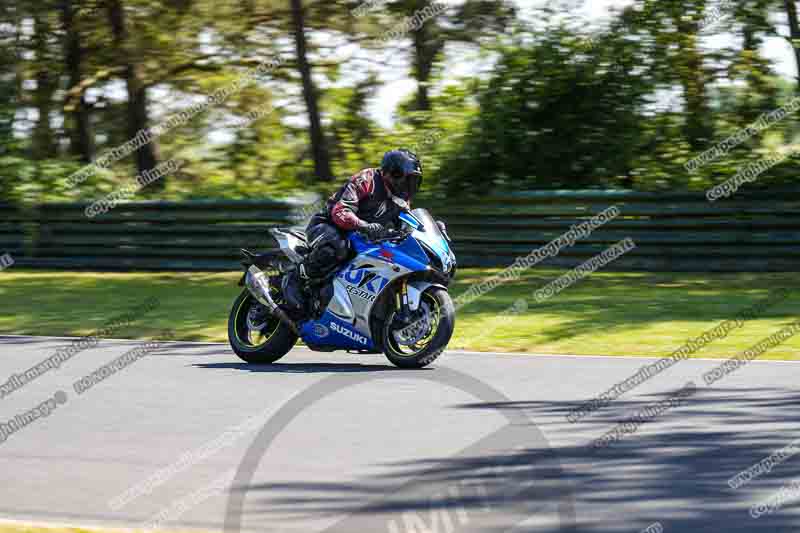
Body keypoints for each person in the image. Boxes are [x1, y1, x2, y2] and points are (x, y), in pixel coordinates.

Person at [282, 149, 424, 312]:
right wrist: (364, 225)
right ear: (394, 173)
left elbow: (406, 223)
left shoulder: (401, 199)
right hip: (328, 225)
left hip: (361, 238)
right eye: (409, 179)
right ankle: (294, 279)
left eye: (415, 181)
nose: (411, 185)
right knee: (336, 248)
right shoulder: (367, 180)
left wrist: (422, 230)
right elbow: (340, 211)